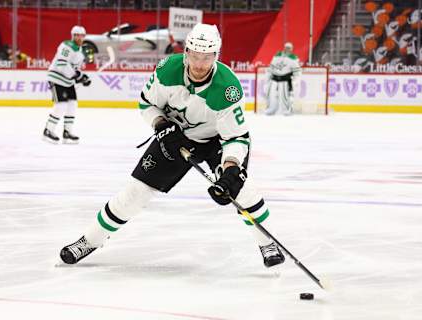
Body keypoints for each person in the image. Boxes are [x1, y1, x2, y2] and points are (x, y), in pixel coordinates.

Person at [59, 23, 285, 268]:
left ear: (216, 56)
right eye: (195, 56)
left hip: (218, 141)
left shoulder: (227, 88)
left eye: (207, 58)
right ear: (186, 52)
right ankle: (90, 240)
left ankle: (267, 243)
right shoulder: (167, 70)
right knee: (135, 193)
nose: (199, 65)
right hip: (175, 136)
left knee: (242, 189)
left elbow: (236, 138)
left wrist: (230, 167)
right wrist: (159, 124)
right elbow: (147, 104)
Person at [43, 25, 91, 144]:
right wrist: (77, 76)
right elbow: (62, 64)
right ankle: (48, 131)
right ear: (73, 36)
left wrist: (83, 77)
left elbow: (74, 68)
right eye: (77, 35)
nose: (80, 38)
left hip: (67, 81)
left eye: (82, 36)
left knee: (72, 104)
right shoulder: (66, 46)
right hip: (57, 78)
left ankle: (67, 133)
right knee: (61, 105)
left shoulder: (79, 51)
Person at [265, 42, 301, 116]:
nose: (287, 49)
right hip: (274, 78)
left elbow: (297, 71)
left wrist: (295, 81)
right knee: (270, 95)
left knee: (285, 97)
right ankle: (270, 109)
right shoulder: (277, 55)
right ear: (284, 48)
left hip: (285, 80)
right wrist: (268, 76)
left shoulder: (294, 58)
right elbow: (271, 66)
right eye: (286, 47)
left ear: (291, 49)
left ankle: (287, 110)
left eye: (289, 48)